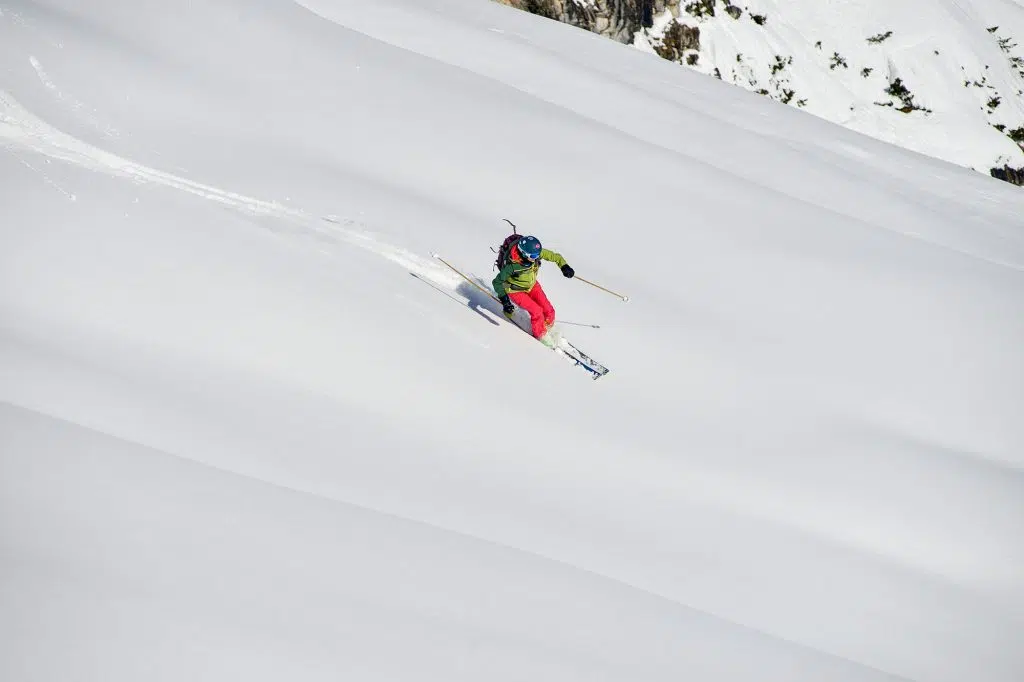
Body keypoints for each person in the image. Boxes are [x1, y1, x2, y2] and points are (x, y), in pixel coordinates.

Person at [492, 235, 575, 347]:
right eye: (534, 256)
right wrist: (505, 300)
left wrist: (564, 266)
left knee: (549, 311)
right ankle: (541, 336)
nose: (537, 257)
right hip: (515, 290)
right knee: (537, 312)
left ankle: (546, 327)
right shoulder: (512, 266)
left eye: (538, 254)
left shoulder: (534, 254)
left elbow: (554, 256)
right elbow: (497, 282)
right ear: (524, 254)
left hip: (532, 285)